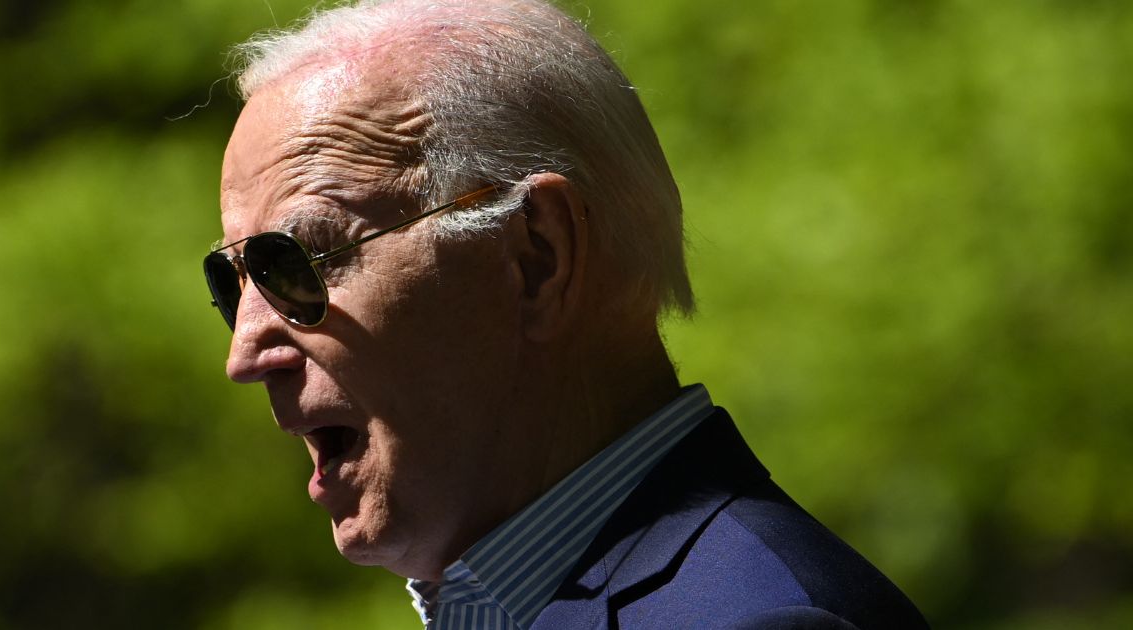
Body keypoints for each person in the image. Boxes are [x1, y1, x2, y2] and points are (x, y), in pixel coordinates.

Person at [203, 0, 929, 627]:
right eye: (234, 280)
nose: (245, 354)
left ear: (538, 257)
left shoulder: (762, 621)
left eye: (299, 261)